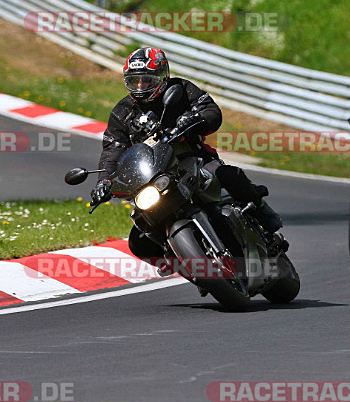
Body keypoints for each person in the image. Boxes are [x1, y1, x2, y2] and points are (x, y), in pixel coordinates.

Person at [90, 47, 285, 270]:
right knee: (138, 240)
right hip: (153, 175)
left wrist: (192, 120)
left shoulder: (180, 89)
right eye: (135, 81)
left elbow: (211, 110)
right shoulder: (122, 112)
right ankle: (181, 262)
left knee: (226, 175)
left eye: (147, 80)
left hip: (192, 157)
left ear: (163, 77)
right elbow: (112, 149)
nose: (141, 87)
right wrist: (103, 181)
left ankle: (262, 213)